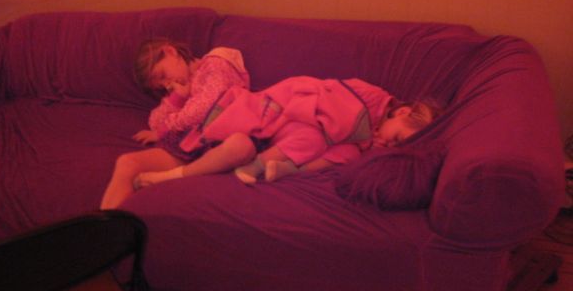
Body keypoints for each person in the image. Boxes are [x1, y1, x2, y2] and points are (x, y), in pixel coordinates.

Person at [133, 76, 440, 187]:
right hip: (287, 115)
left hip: (284, 143)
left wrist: (362, 145)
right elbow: (328, 101)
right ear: (402, 112)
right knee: (314, 138)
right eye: (395, 137)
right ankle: (169, 177)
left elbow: (346, 148)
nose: (386, 143)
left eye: (394, 147)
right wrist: (353, 133)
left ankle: (281, 168)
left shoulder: (374, 138)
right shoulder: (372, 97)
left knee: (346, 154)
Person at [99, 39, 251, 209]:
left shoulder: (216, 63)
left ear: (170, 51)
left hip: (218, 143)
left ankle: (170, 176)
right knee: (127, 163)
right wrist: (178, 98)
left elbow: (204, 109)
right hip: (190, 147)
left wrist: (165, 130)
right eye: (161, 85)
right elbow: (154, 122)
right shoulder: (182, 85)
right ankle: (103, 224)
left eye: (162, 76)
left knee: (239, 146)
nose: (166, 84)